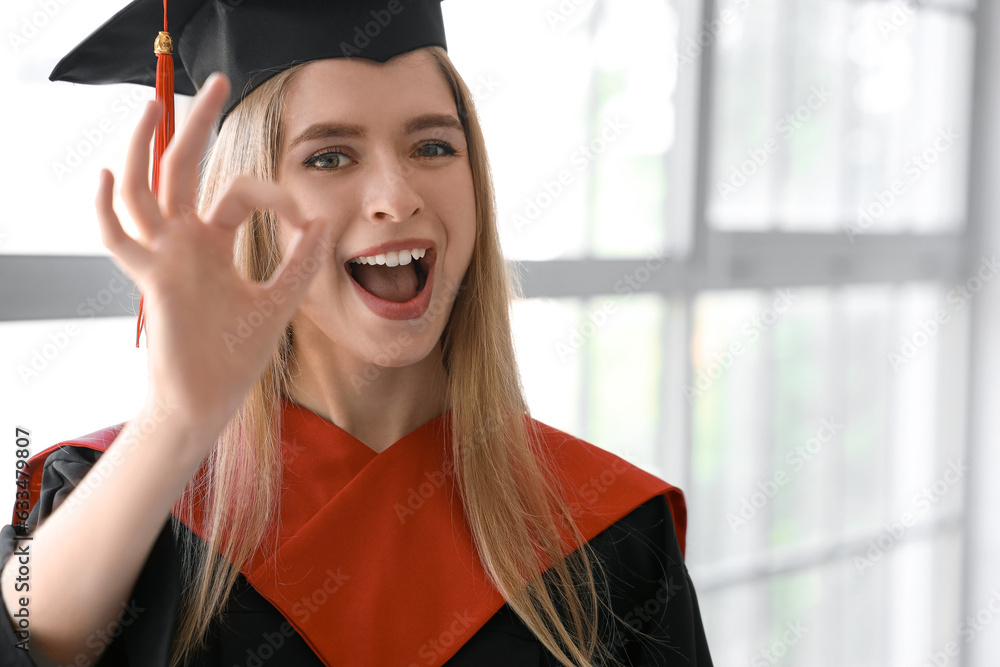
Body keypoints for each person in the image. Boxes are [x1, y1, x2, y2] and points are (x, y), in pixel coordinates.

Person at [0, 1, 714, 665]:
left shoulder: (610, 534)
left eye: (433, 147)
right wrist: (177, 422)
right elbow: (34, 636)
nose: (397, 197)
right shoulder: (128, 495)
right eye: (330, 156)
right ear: (252, 206)